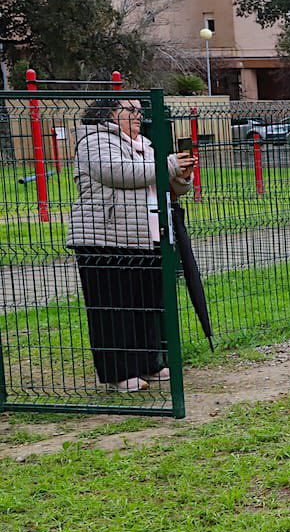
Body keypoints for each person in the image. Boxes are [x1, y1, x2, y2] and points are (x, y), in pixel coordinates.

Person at [67, 96, 195, 392]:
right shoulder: (95, 141)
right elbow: (120, 174)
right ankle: (119, 373)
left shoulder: (145, 146)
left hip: (146, 237)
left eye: (140, 111)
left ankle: (149, 363)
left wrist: (181, 177)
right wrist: (169, 164)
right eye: (131, 111)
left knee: (147, 304)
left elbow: (164, 183)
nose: (138, 116)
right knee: (113, 308)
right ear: (108, 114)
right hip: (105, 239)